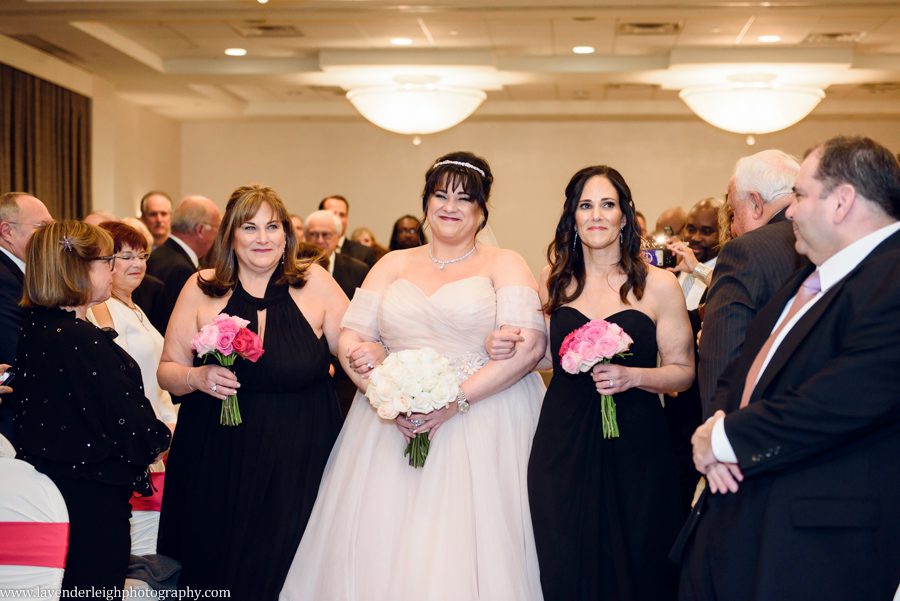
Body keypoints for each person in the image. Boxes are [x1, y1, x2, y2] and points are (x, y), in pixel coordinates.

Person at [280, 152, 547, 601]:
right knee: (380, 537)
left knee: (469, 540)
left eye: (465, 198)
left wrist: (454, 402)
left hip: (483, 418)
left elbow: (530, 348)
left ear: (483, 210)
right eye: (440, 195)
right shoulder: (392, 264)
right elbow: (350, 338)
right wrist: (380, 388)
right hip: (391, 423)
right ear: (425, 202)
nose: (450, 206)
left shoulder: (505, 263)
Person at [680, 137, 900, 601]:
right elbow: (740, 365)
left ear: (842, 202)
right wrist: (717, 425)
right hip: (755, 523)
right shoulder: (810, 272)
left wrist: (723, 439)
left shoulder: (891, 276)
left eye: (800, 196)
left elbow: (842, 398)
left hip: (825, 543)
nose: (791, 212)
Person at [498, 165, 693, 601]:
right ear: (573, 216)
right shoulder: (558, 280)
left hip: (637, 441)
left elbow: (682, 371)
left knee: (639, 555)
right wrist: (508, 347)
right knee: (564, 551)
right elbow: (546, 356)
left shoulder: (659, 286)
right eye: (586, 205)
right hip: (563, 439)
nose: (597, 215)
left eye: (608, 204)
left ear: (625, 215)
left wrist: (634, 376)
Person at [157, 184, 346, 601]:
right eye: (250, 227)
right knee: (221, 564)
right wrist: (198, 378)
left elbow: (354, 353)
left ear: (286, 236)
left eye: (272, 227)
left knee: (288, 564)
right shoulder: (201, 287)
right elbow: (168, 371)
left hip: (300, 458)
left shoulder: (316, 283)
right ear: (231, 236)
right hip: (218, 458)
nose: (263, 238)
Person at [11, 220, 170, 590]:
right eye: (105, 261)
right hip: (92, 498)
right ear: (77, 269)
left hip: (57, 488)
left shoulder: (37, 326)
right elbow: (131, 425)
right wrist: (161, 438)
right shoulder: (79, 340)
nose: (113, 269)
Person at [697, 149, 808, 416]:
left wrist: (717, 440)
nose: (732, 228)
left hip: (757, 423)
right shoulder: (831, 240)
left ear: (757, 203)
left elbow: (722, 363)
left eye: (733, 214)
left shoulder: (744, 252)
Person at [87, 221, 177, 428]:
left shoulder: (135, 308)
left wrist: (169, 420)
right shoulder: (102, 307)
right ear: (105, 261)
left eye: (142, 256)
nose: (138, 264)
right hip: (133, 427)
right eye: (127, 257)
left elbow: (156, 378)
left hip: (156, 423)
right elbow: (117, 380)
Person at [305, 210, 371, 416]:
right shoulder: (294, 268)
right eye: (314, 234)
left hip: (346, 372)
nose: (320, 240)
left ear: (337, 237)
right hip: (307, 366)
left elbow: (363, 319)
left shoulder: (358, 269)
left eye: (326, 235)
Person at [0, 192, 52, 441]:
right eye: (42, 227)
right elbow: (16, 350)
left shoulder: (21, 273)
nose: (51, 236)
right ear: (7, 231)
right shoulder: (4, 278)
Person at [146, 195, 221, 333]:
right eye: (216, 228)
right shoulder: (181, 270)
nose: (217, 236)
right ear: (200, 230)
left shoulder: (159, 255)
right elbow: (180, 328)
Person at [319, 195, 377, 267]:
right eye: (333, 214)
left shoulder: (364, 254)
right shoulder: (306, 252)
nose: (338, 219)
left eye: (342, 215)